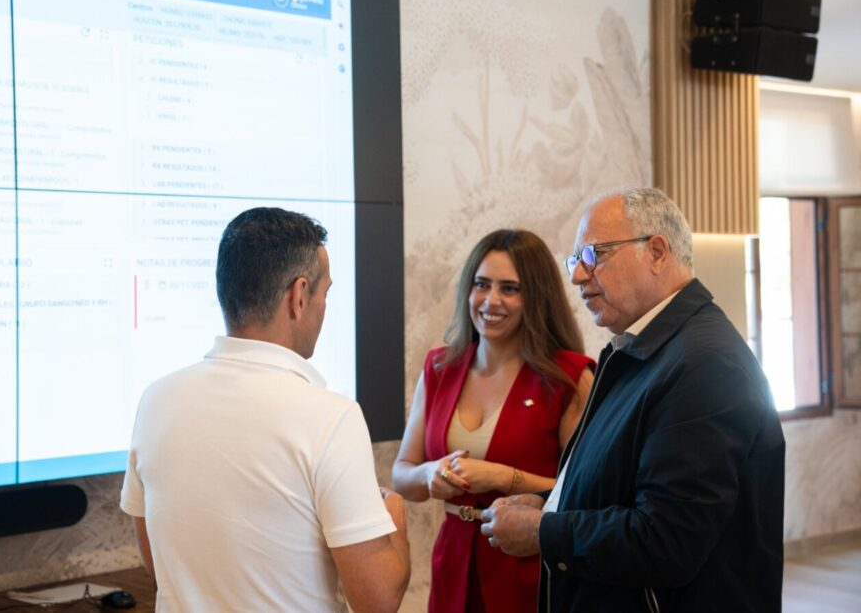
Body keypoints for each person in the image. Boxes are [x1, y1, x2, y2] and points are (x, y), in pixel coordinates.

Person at [479, 188, 785, 612]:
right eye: (575, 260)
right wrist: (554, 503)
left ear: (656, 252)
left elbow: (665, 540)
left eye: (594, 255)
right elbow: (627, 484)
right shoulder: (644, 349)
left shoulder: (705, 364)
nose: (577, 275)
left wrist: (543, 531)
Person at [120, 207, 410, 612]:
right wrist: (394, 517)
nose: (324, 307)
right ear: (299, 295)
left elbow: (157, 562)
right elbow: (376, 601)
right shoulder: (331, 417)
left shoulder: (155, 400)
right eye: (325, 294)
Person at [393, 229, 594, 612]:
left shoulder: (569, 377)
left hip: (531, 570)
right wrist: (430, 473)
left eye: (510, 288)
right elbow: (403, 476)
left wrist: (503, 477)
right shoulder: (439, 368)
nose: (491, 300)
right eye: (481, 284)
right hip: (453, 565)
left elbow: (586, 495)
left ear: (536, 296)